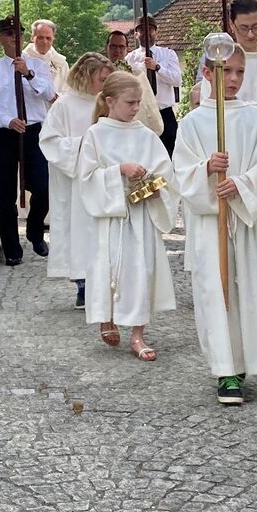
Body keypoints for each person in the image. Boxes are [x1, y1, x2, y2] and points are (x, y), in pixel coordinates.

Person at [174, 46, 257, 406]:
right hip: (210, 222)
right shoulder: (192, 123)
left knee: (250, 287)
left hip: (246, 217)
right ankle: (226, 368)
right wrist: (206, 168)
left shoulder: (256, 117)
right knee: (215, 291)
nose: (233, 79)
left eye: (239, 72)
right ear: (207, 73)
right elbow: (181, 172)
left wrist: (242, 184)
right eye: (225, 71)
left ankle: (247, 358)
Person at [76, 72, 178, 363]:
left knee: (141, 270)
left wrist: (156, 189)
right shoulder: (96, 134)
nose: (136, 108)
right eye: (130, 102)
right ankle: (106, 316)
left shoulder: (145, 135)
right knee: (111, 268)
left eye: (138, 102)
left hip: (141, 216)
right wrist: (119, 170)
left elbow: (166, 172)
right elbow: (87, 177)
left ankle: (137, 333)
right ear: (109, 101)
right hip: (111, 218)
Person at [0, 16, 54, 266]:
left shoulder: (38, 65)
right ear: (1, 38)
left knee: (43, 186)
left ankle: (35, 230)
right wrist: (7, 120)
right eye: (9, 34)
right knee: (5, 191)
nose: (14, 38)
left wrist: (28, 74)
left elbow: (49, 94)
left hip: (33, 131)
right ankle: (11, 247)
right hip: (4, 133)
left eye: (18, 34)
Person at [40, 50, 112, 309]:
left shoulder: (108, 102)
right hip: (75, 179)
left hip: (104, 178)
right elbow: (49, 141)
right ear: (86, 76)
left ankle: (107, 282)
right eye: (101, 79)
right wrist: (83, 146)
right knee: (80, 231)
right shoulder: (64, 105)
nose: (105, 84)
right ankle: (83, 284)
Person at [194, 0, 257, 110]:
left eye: (256, 27)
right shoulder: (220, 61)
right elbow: (208, 106)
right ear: (232, 25)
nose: (250, 34)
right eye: (244, 28)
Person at [124, 17, 184, 153]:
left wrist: (157, 68)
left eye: (150, 29)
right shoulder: (130, 58)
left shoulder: (168, 54)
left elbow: (177, 80)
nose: (146, 33)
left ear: (156, 32)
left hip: (164, 112)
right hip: (141, 113)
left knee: (170, 152)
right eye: (142, 30)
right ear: (136, 34)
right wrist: (141, 68)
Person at [107, 28, 166, 134]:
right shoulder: (100, 74)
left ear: (127, 49)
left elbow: (148, 103)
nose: (117, 50)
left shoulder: (137, 74)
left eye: (121, 47)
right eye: (113, 46)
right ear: (106, 47)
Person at [29, 19, 69, 95]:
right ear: (32, 37)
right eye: (40, 37)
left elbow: (67, 91)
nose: (44, 42)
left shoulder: (61, 63)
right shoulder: (23, 60)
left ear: (53, 39)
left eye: (48, 38)